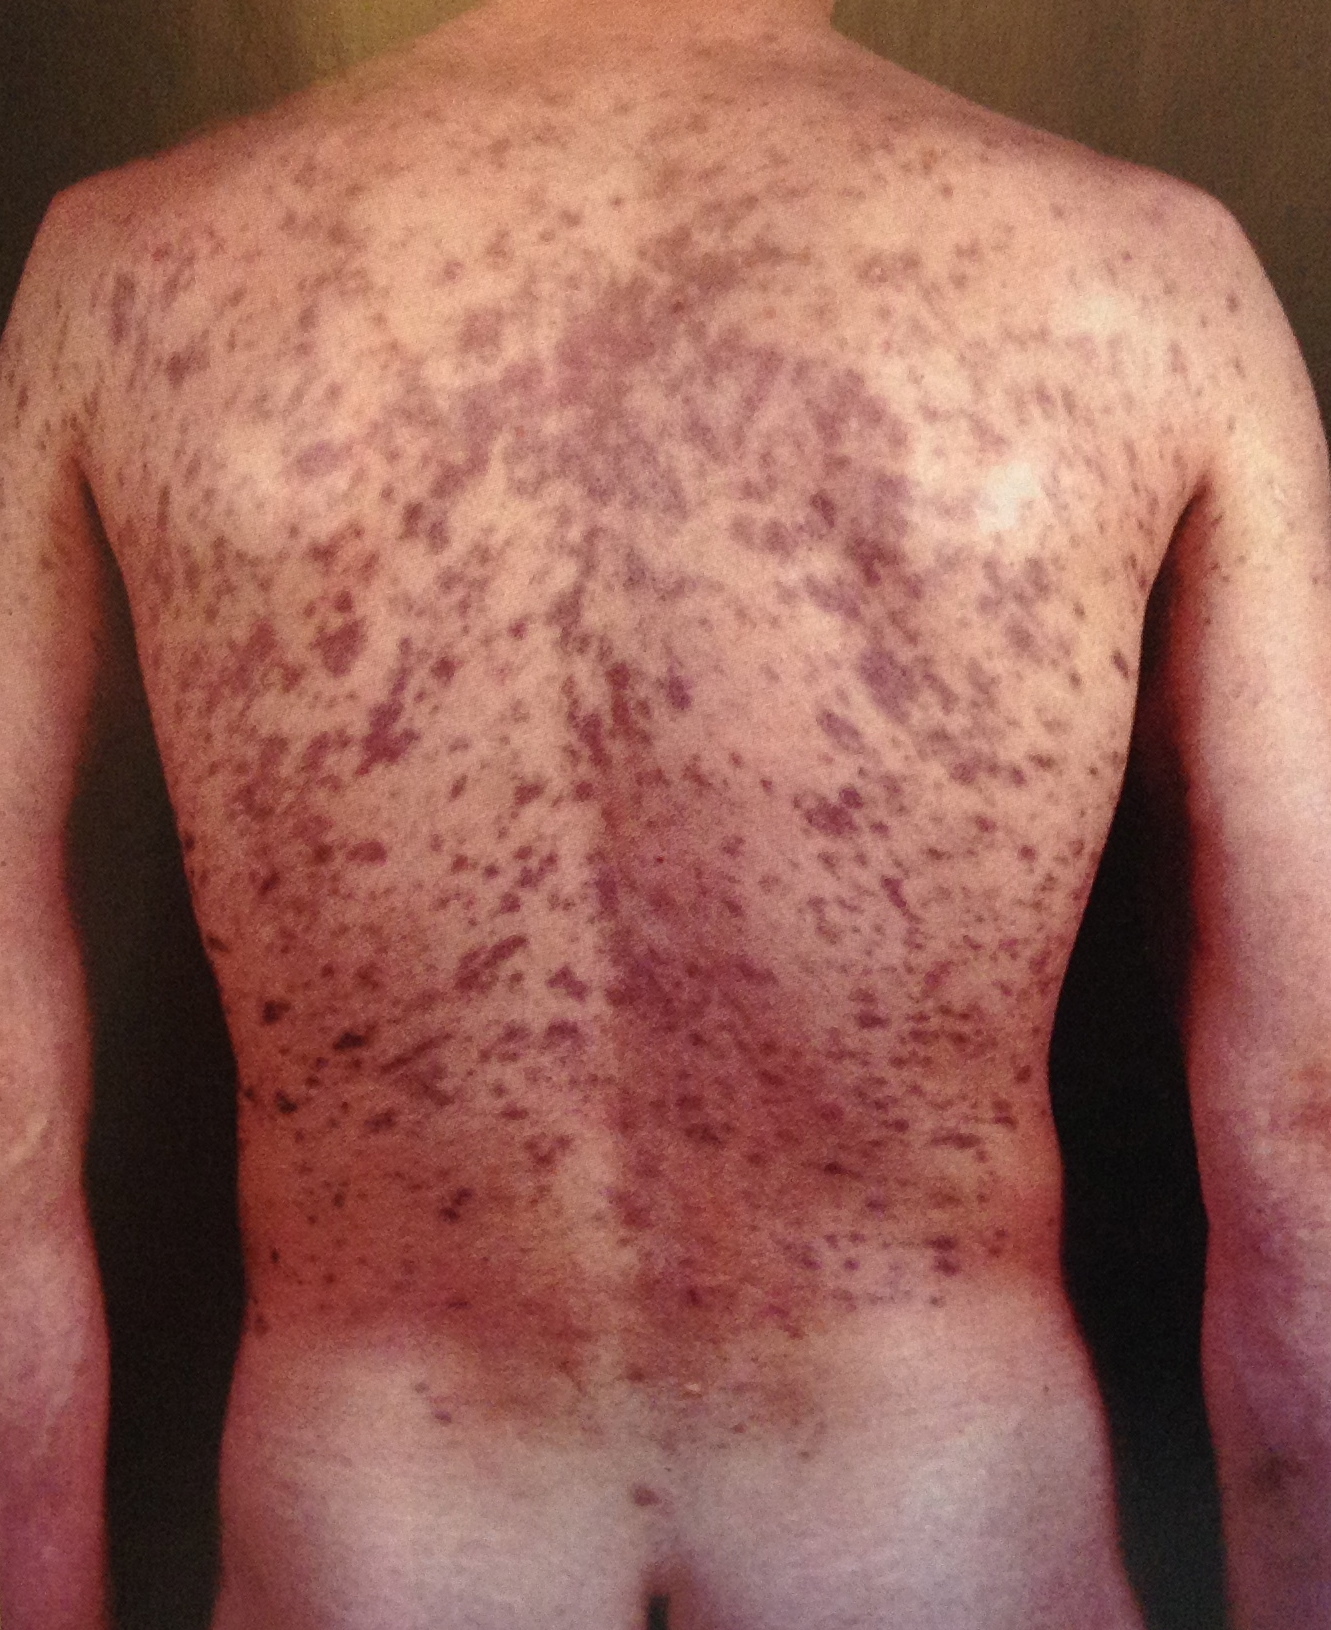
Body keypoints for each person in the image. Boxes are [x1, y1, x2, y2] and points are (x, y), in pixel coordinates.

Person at [2, 0, 1330, 1624]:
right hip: (939, 1546)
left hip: (389, 1555)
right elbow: (1305, 1124)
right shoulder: (1156, 288)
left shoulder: (128, 281)